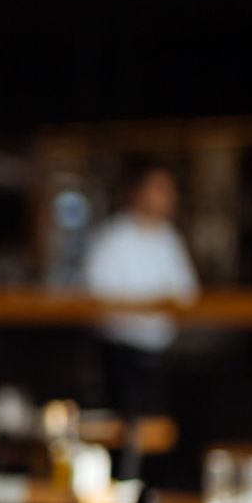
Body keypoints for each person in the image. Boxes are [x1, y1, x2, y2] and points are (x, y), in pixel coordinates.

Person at [85, 165, 197, 416]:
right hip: (119, 354)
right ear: (138, 191)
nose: (167, 196)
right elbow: (98, 294)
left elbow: (187, 293)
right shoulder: (113, 238)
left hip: (161, 354)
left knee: (157, 424)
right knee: (122, 424)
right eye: (159, 188)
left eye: (169, 190)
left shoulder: (169, 238)